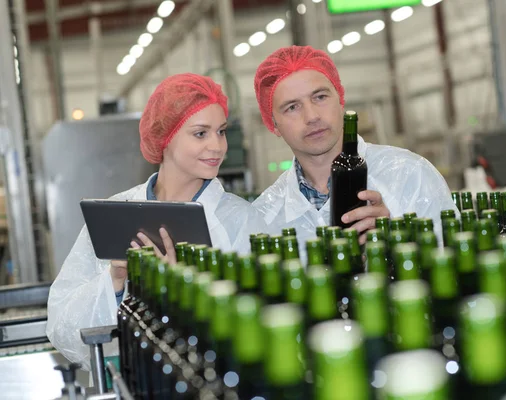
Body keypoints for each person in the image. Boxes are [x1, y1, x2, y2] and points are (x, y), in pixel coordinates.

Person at [46, 73, 265, 369]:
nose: (217, 146)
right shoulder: (113, 215)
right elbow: (62, 327)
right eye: (201, 133)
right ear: (165, 136)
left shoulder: (241, 221)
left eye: (222, 131)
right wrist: (115, 282)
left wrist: (186, 290)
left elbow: (264, 325)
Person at [252, 46, 458, 261]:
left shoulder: (411, 174)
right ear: (272, 124)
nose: (312, 116)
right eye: (292, 107)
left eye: (320, 97)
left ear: (341, 100)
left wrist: (397, 242)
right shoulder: (264, 215)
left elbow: (453, 266)